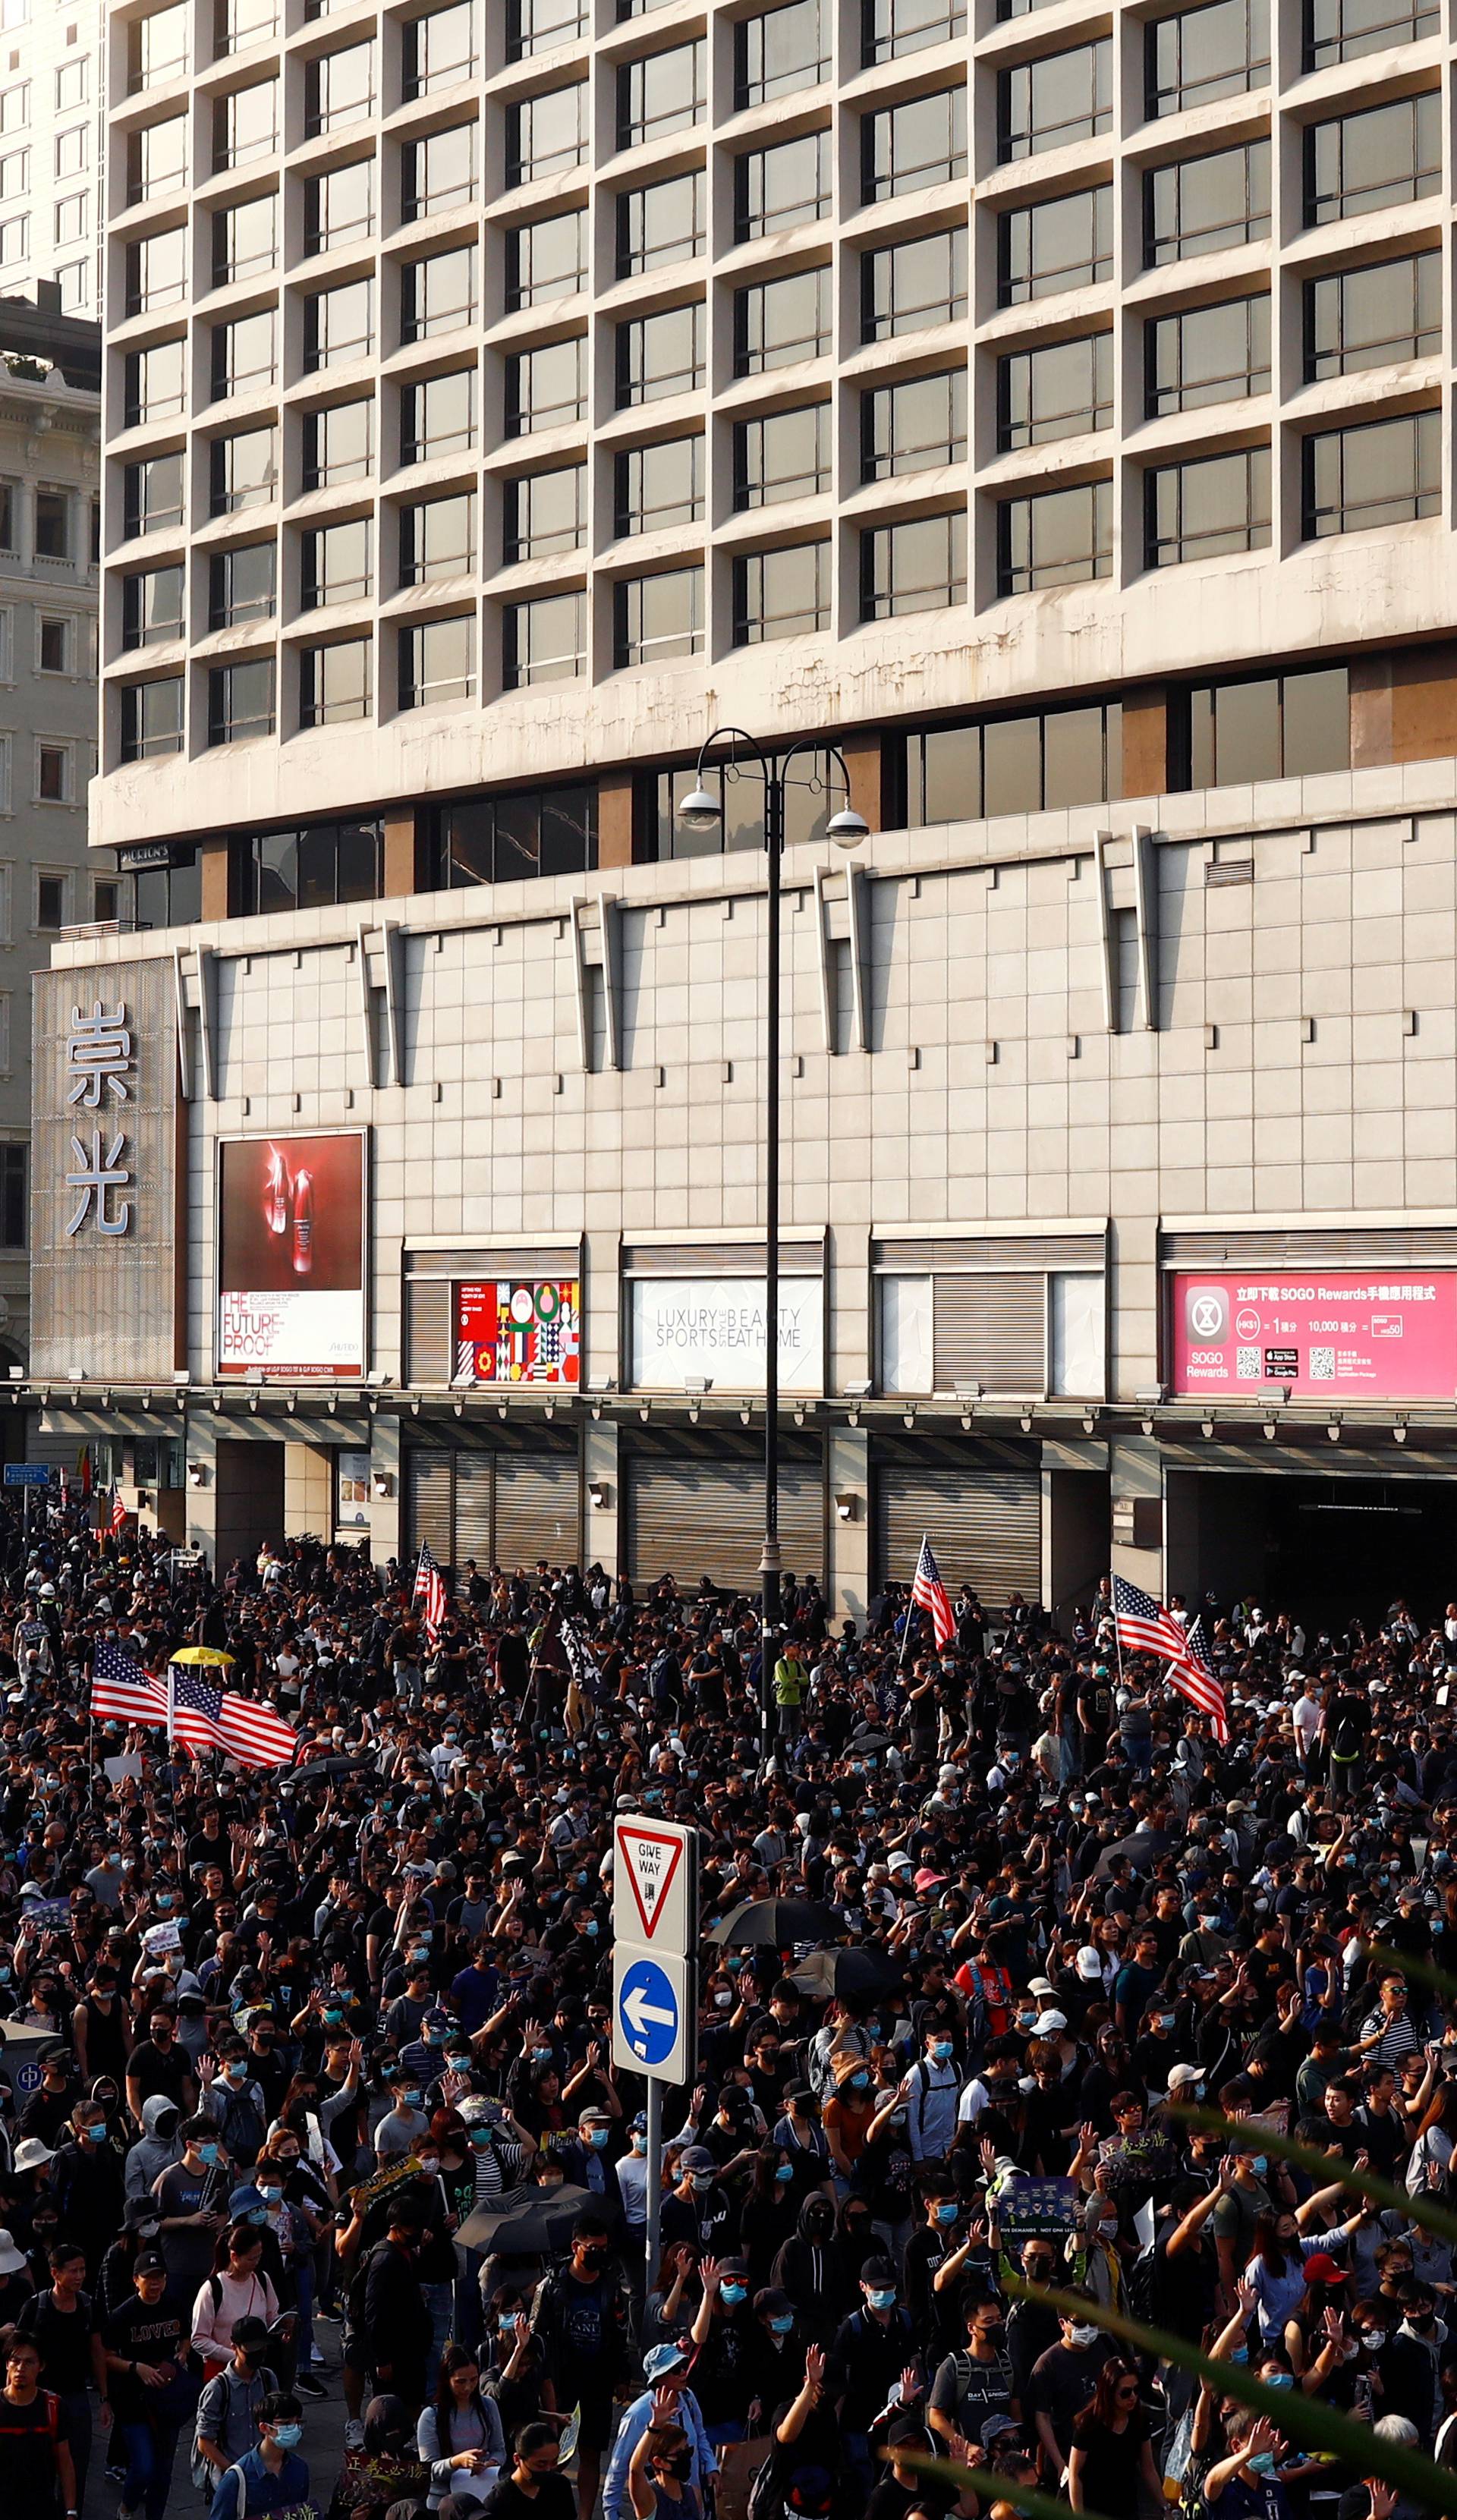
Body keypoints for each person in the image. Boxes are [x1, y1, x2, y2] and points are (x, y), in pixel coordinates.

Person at [100, 2245, 191, 2520]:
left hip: (166, 2397)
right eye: (149, 2277)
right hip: (133, 2400)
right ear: (136, 2280)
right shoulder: (123, 2315)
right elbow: (107, 2357)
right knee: (143, 2466)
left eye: (160, 2277)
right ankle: (126, 2507)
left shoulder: (174, 2304)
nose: (155, 2283)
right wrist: (135, 2368)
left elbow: (187, 2336)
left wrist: (183, 2352)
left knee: (164, 2470)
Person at [0, 2331, 77, 2520]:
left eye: (29, 2362)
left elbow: (65, 2463)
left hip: (41, 2509)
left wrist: (71, 2512)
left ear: (41, 2366)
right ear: (7, 2365)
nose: (20, 2368)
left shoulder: (54, 2407)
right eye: (15, 2361)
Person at [418, 2345, 506, 2509]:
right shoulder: (431, 2416)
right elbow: (428, 2469)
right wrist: (456, 2462)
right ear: (447, 2379)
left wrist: (490, 2463)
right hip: (445, 2499)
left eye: (474, 2380)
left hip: (484, 2490)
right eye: (460, 2382)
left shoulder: (488, 2406)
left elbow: (499, 2450)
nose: (468, 2387)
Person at [207, 2390, 309, 2520]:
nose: (294, 2429)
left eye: (297, 2423)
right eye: (285, 2424)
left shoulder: (300, 2469)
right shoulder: (236, 2479)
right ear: (264, 2428)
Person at [478, 2421, 575, 2520]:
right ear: (517, 2459)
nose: (548, 2469)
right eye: (541, 2464)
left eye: (554, 2463)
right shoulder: (499, 2500)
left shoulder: (560, 2486)